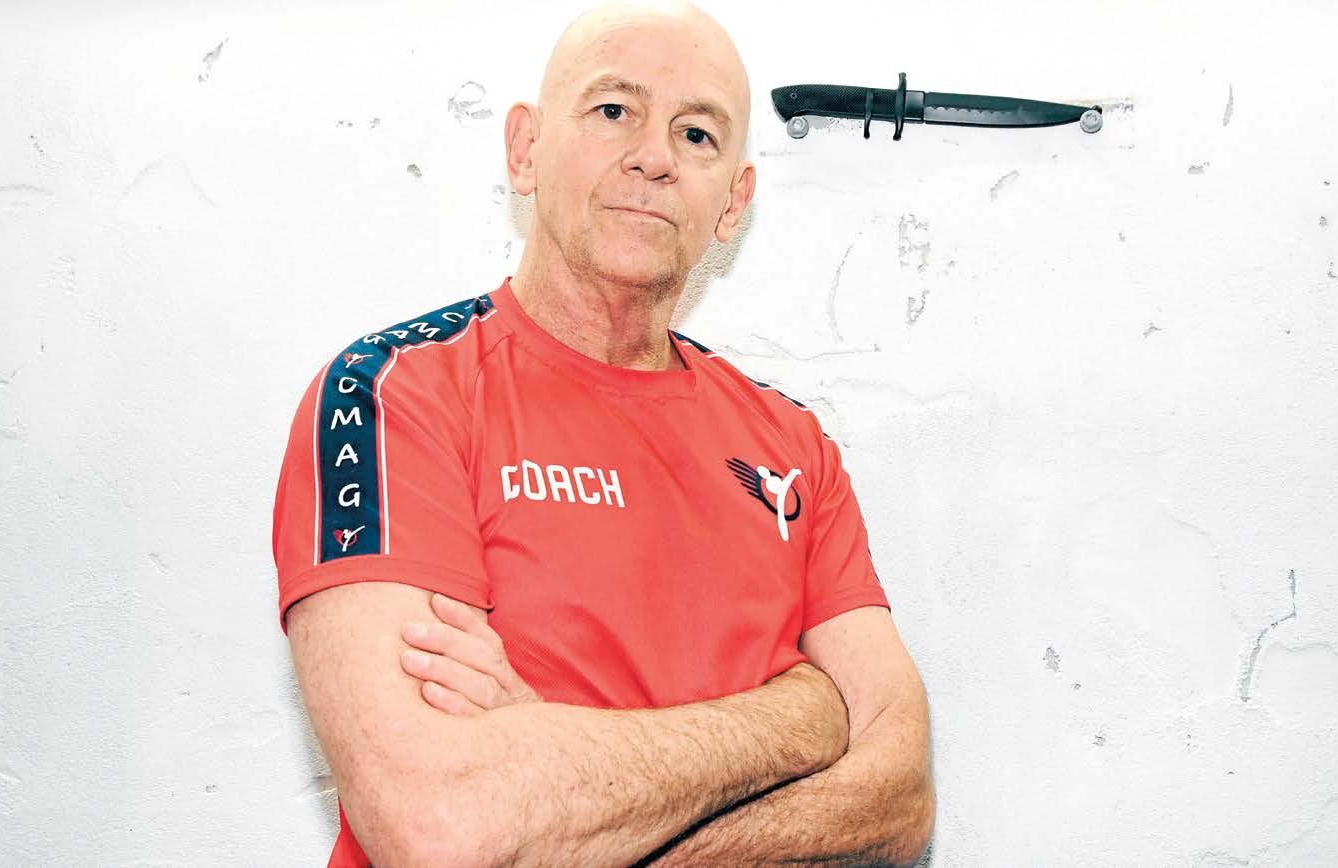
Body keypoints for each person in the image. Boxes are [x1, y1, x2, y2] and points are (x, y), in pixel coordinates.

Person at [271, 1, 935, 864]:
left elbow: (898, 799)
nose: (654, 157)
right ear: (525, 149)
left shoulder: (793, 447)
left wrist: (562, 793)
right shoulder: (395, 393)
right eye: (614, 110)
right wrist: (801, 717)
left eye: (696, 134)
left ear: (732, 203)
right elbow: (441, 826)